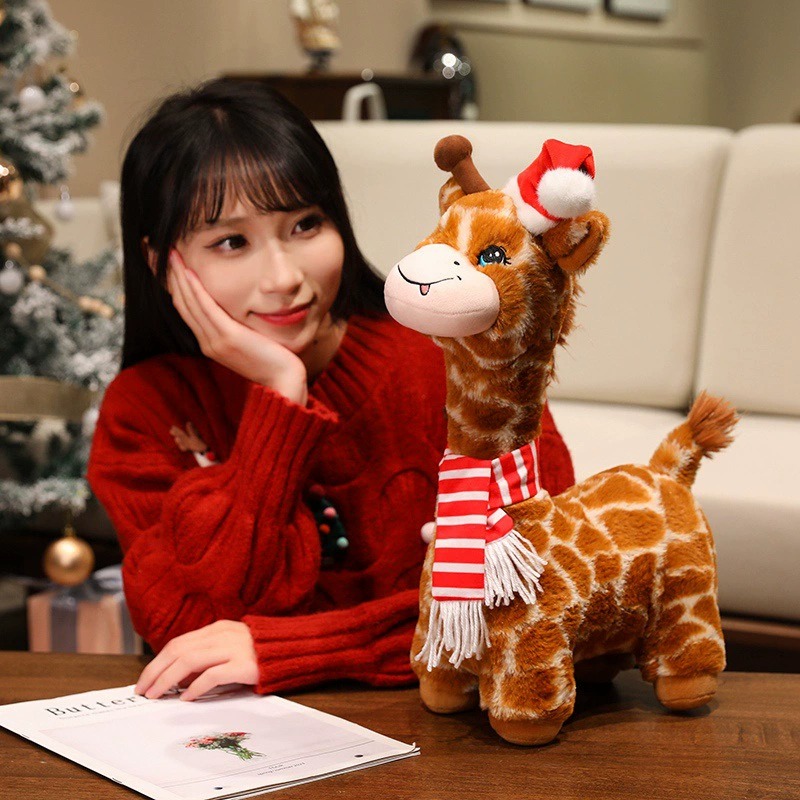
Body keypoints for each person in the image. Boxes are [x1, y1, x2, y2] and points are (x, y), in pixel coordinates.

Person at [87, 78, 577, 703]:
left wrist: (304, 648)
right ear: (162, 263)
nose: (284, 278)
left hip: (445, 726)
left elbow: (550, 581)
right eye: (231, 242)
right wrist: (280, 396)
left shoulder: (454, 362)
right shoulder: (145, 409)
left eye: (305, 224)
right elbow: (187, 631)